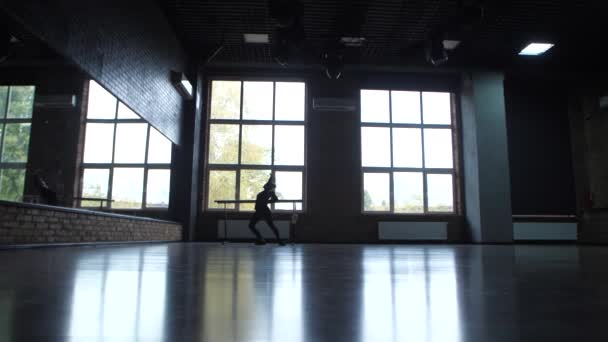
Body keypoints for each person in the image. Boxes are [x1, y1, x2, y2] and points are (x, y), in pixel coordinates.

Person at [248, 175, 286, 246]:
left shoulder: (270, 193)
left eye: (267, 186)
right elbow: (269, 183)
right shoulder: (267, 192)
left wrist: (267, 201)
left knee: (270, 226)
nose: (265, 186)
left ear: (269, 187)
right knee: (252, 225)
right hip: (261, 210)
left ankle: (277, 240)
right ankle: (262, 239)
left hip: (262, 211)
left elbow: (275, 199)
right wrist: (271, 177)